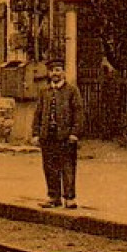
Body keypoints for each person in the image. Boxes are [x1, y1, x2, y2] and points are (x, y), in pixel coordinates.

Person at [35, 61, 85, 208]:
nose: (54, 74)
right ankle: (53, 197)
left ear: (63, 72)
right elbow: (38, 113)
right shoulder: (44, 92)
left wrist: (75, 133)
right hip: (48, 136)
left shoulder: (71, 91)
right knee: (50, 167)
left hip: (65, 136)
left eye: (57, 70)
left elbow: (78, 112)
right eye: (51, 71)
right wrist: (36, 133)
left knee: (67, 167)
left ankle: (70, 198)